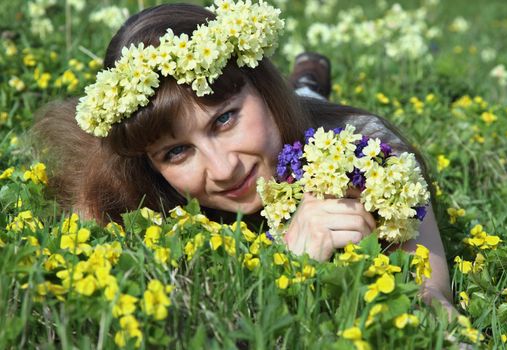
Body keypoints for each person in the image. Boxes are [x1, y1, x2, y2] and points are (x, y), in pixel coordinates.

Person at [32, 1, 452, 309]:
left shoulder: (365, 153)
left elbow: (430, 294)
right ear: (148, 161)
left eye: (225, 119)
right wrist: (287, 269)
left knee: (305, 102)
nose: (224, 169)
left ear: (263, 87)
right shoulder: (118, 192)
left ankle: (306, 78)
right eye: (177, 151)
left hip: (304, 125)